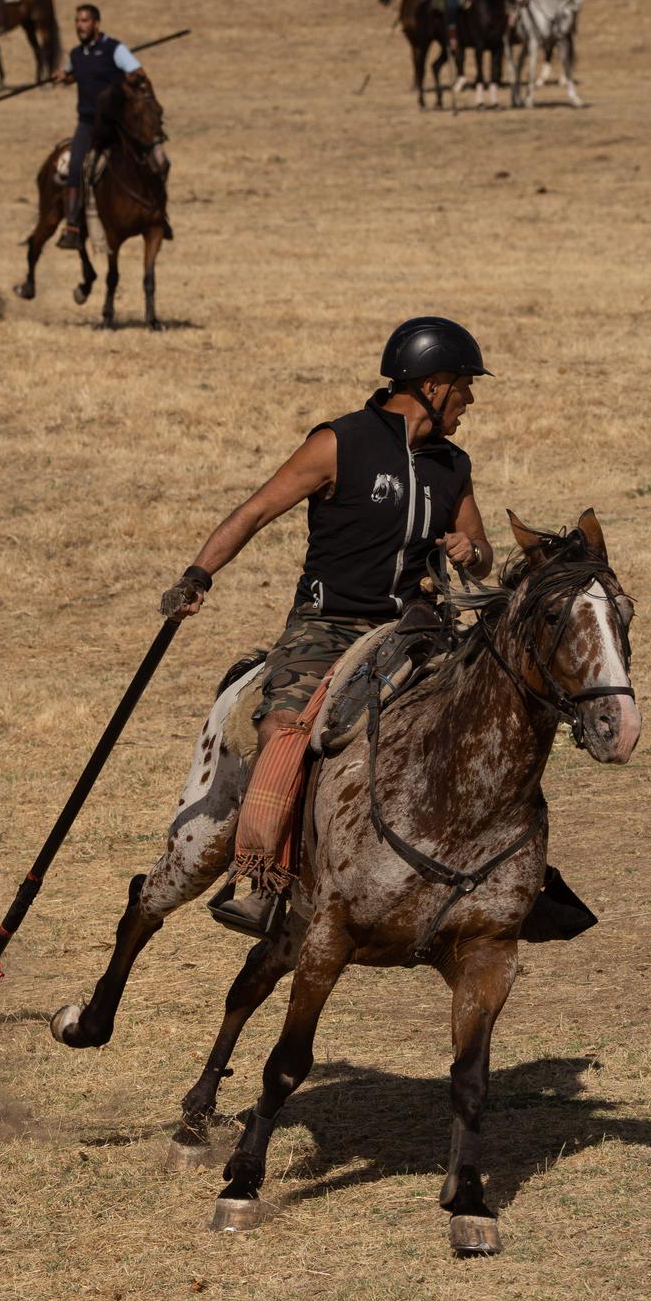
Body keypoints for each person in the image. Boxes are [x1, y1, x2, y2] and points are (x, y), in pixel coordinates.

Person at [158, 316, 496, 933]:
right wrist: (197, 576)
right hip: (328, 624)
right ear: (434, 384)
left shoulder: (453, 464)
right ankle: (259, 877)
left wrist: (471, 553)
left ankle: (510, 870)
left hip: (416, 627)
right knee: (287, 723)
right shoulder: (340, 442)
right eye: (465, 387)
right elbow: (256, 510)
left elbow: (480, 546)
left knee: (491, 706)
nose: (470, 400)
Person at [51, 4, 144, 249]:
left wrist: (127, 80)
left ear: (96, 24)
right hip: (88, 124)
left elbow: (138, 72)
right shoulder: (76, 55)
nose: (80, 26)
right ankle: (71, 226)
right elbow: (74, 74)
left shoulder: (115, 49)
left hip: (115, 124)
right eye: (77, 21)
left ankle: (156, 214)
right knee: (74, 167)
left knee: (147, 158)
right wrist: (64, 77)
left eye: (85, 21)